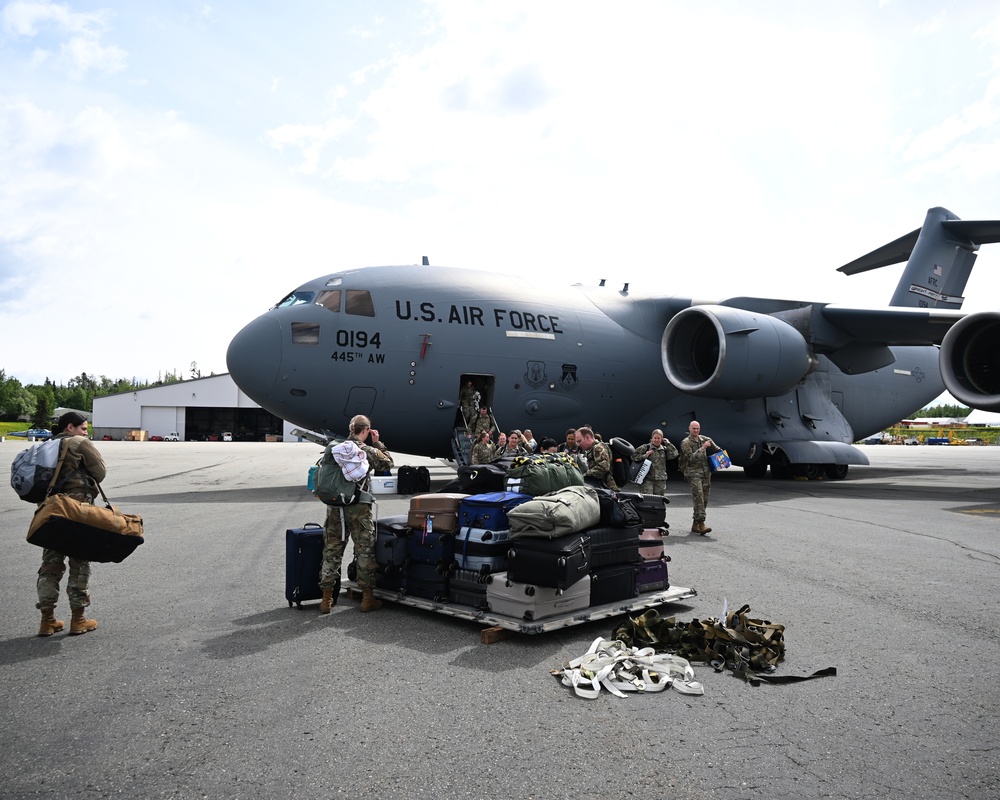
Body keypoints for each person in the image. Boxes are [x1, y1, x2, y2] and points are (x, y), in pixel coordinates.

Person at [36, 411, 104, 636]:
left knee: (50, 564)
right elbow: (100, 472)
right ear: (70, 427)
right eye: (83, 428)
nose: (86, 432)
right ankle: (79, 619)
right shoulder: (79, 443)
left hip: (49, 509)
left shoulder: (44, 446)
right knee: (79, 561)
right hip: (76, 509)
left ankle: (47, 620)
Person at [319, 414, 394, 613]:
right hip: (358, 509)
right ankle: (367, 598)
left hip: (335, 507)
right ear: (367, 430)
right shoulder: (364, 449)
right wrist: (378, 444)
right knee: (364, 551)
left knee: (332, 550)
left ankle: (326, 600)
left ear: (350, 429)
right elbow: (387, 464)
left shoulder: (336, 448)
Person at [679, 420, 718, 535]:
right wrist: (703, 448)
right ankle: (701, 523)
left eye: (697, 428)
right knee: (699, 498)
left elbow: (717, 448)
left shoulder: (704, 439)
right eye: (693, 428)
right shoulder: (685, 442)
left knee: (705, 499)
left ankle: (695, 524)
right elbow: (690, 458)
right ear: (689, 429)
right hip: (693, 473)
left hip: (706, 473)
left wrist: (722, 455)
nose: (696, 431)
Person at [632, 428, 678, 497]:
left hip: (660, 479)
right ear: (652, 438)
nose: (656, 440)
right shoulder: (646, 447)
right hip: (647, 479)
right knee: (647, 499)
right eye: (655, 438)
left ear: (662, 439)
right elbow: (633, 456)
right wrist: (644, 456)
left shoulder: (664, 449)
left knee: (659, 500)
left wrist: (668, 444)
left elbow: (675, 454)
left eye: (658, 438)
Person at [575, 426, 618, 491]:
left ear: (587, 437)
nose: (578, 444)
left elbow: (603, 467)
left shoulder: (598, 448)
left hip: (607, 487)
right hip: (603, 487)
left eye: (579, 441)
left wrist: (584, 476)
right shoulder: (593, 449)